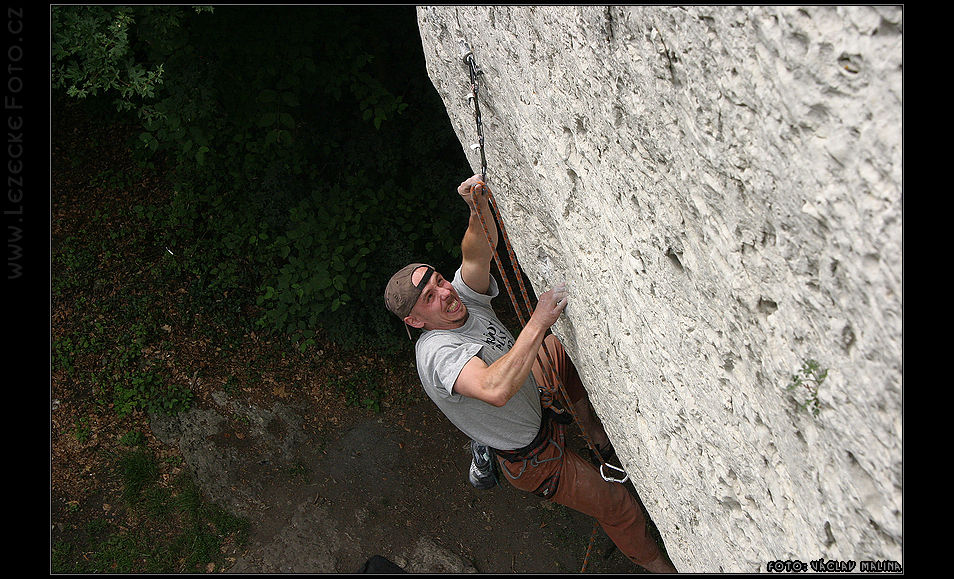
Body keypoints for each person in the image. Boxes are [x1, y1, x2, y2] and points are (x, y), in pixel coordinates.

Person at [384, 175, 677, 573]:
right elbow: (494, 387)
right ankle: (662, 567)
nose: (446, 294)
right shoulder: (438, 354)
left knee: (558, 350)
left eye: (438, 282)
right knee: (618, 506)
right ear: (416, 320)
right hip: (532, 457)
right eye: (430, 298)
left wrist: (477, 209)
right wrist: (537, 321)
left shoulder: (460, 300)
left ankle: (599, 442)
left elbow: (476, 255)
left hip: (533, 396)